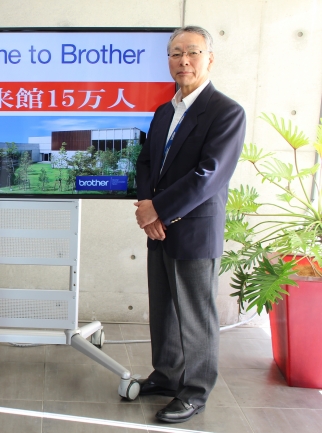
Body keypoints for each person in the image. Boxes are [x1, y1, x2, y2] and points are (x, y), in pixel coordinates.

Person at [134, 26, 246, 423]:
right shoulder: (166, 110)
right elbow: (147, 161)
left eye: (192, 52)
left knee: (195, 315)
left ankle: (195, 391)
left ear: (209, 58)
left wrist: (157, 210)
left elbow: (209, 174)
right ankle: (166, 375)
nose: (183, 60)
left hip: (193, 229)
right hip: (158, 226)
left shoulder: (226, 112)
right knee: (163, 309)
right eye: (175, 53)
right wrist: (149, 206)